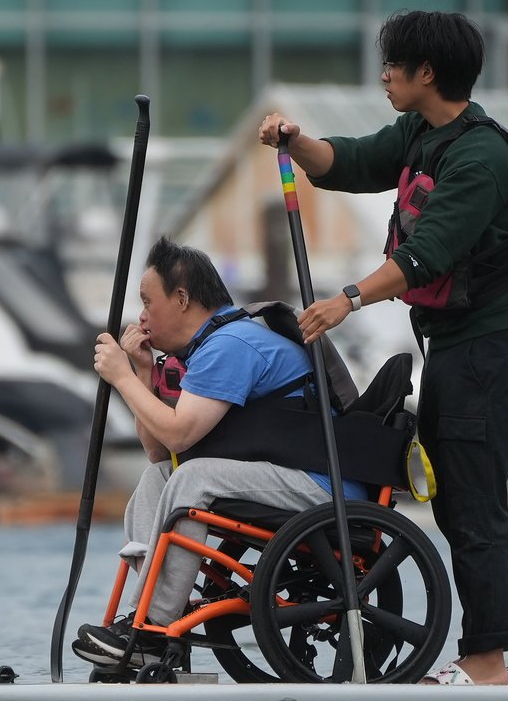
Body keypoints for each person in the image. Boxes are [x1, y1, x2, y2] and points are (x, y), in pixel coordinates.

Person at [258, 10, 508, 686]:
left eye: (393, 65)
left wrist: (347, 300)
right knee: (454, 505)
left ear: (428, 74)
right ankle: (481, 660)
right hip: (453, 348)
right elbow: (351, 162)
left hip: (491, 352)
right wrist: (297, 142)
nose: (384, 75)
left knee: (473, 506)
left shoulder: (482, 157)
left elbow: (427, 254)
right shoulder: (420, 132)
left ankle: (486, 664)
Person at [74, 237, 364, 668]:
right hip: (287, 473)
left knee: (195, 477)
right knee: (159, 478)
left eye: (148, 302)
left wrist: (122, 380)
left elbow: (179, 435)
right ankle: (149, 611)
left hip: (325, 485)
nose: (141, 316)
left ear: (182, 298)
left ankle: (154, 626)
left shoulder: (230, 345)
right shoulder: (213, 345)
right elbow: (158, 453)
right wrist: (142, 373)